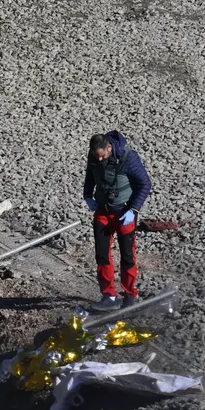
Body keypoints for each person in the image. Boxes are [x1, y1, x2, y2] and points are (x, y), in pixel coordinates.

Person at [82, 130, 152, 312]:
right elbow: (90, 177)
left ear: (109, 148)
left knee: (127, 255)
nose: (99, 160)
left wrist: (133, 210)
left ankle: (129, 294)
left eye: (102, 156)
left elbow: (145, 184)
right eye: (96, 156)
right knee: (102, 254)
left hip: (124, 212)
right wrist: (88, 196)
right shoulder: (93, 157)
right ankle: (109, 296)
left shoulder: (129, 158)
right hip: (103, 212)